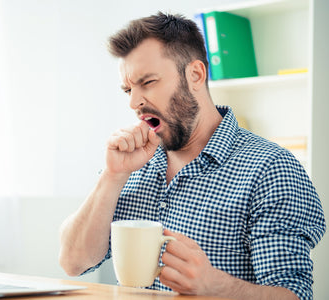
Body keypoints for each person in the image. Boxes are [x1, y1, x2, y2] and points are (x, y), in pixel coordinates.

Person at [58, 12, 326, 300]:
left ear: (195, 75)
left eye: (147, 82)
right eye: (128, 89)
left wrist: (216, 286)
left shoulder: (271, 169)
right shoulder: (131, 165)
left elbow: (294, 295)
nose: (134, 102)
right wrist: (112, 177)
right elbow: (74, 263)